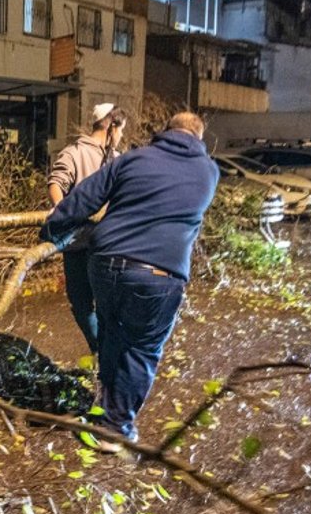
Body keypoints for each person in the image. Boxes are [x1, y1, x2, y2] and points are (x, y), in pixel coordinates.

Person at [40, 112, 218, 451]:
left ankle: (103, 405)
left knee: (110, 331)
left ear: (166, 132)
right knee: (142, 349)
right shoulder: (209, 171)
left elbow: (85, 197)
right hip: (160, 276)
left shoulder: (134, 159)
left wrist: (51, 230)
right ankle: (114, 428)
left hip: (106, 263)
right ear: (198, 138)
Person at [46, 103, 127, 354]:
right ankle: (102, 350)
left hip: (105, 244)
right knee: (83, 303)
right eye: (121, 129)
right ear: (112, 125)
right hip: (80, 243)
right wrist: (62, 211)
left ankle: (106, 351)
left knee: (96, 303)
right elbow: (56, 183)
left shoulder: (116, 159)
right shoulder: (75, 152)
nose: (122, 136)